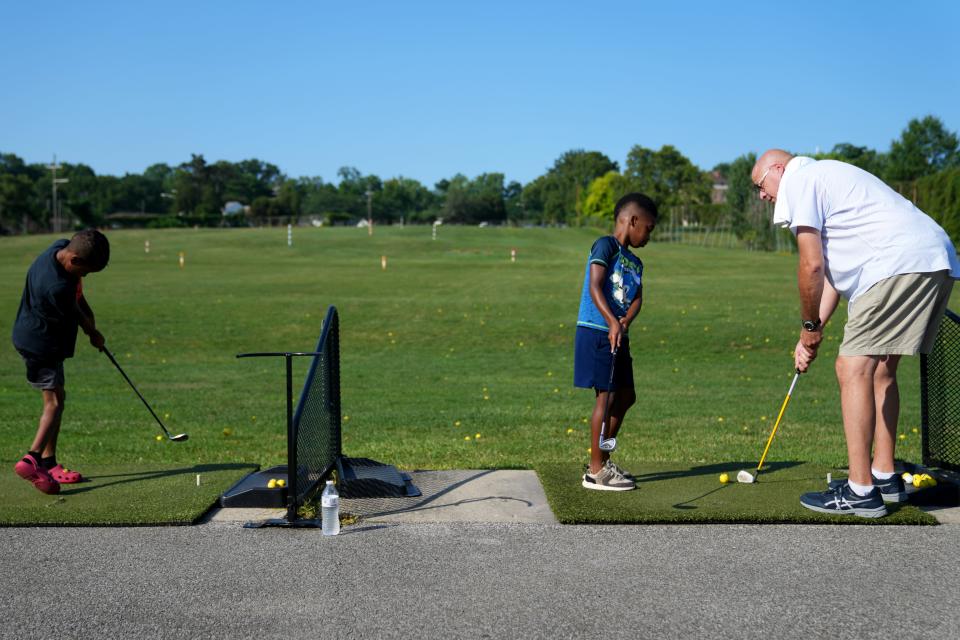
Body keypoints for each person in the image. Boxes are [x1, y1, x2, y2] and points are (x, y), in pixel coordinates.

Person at [753, 149, 960, 517]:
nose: (761, 195)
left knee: (851, 368)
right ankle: (883, 476)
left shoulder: (800, 180)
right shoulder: (826, 180)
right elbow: (831, 277)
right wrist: (810, 333)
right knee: (880, 371)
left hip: (897, 264)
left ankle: (860, 490)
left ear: (779, 170)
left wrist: (809, 326)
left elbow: (811, 265)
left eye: (760, 184)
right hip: (933, 260)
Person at [12, 229, 110, 494]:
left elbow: (79, 298)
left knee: (59, 397)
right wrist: (94, 334)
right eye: (85, 272)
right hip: (41, 345)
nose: (84, 277)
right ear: (75, 260)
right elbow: (77, 313)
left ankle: (48, 462)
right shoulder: (58, 288)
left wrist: (92, 322)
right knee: (53, 403)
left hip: (33, 338)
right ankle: (31, 460)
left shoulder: (59, 248)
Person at [574, 192, 658, 491]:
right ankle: (596, 471)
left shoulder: (635, 261)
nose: (649, 236)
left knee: (626, 396)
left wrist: (624, 321)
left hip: (618, 334)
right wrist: (611, 320)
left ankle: (602, 459)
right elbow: (595, 285)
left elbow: (637, 297)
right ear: (633, 220)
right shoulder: (605, 245)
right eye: (648, 228)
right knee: (605, 397)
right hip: (597, 331)